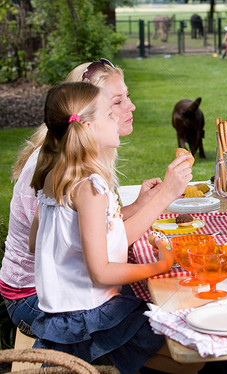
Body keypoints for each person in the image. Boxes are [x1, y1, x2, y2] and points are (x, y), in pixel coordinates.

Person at [0, 58, 190, 336]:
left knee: (164, 306)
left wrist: (138, 205)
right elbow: (101, 257)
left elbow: (76, 228)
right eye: (115, 104)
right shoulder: (72, 171)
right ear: (86, 117)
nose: (130, 107)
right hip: (42, 299)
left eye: (128, 96)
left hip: (65, 294)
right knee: (172, 318)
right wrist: (165, 195)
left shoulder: (65, 158)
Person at [27, 82, 201, 374]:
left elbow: (38, 243)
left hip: (63, 318)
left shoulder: (54, 175)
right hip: (90, 322)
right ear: (89, 127)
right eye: (110, 113)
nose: (118, 117)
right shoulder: (90, 187)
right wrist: (160, 265)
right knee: (191, 351)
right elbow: (102, 273)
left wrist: (140, 205)